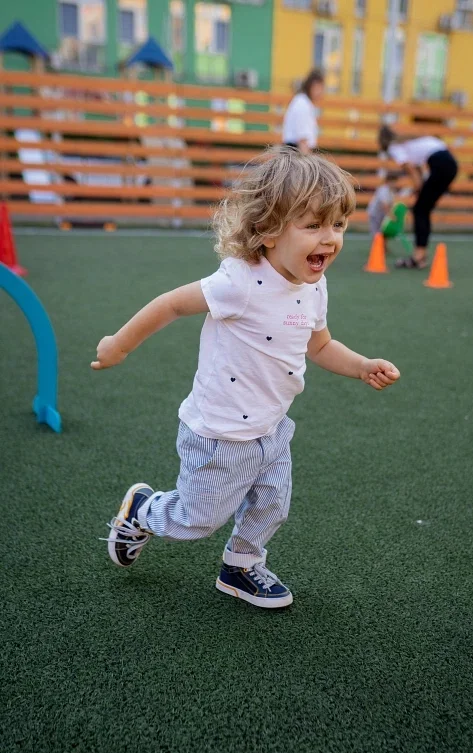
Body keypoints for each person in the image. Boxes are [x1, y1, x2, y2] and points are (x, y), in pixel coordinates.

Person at [91, 147, 400, 610]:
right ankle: (143, 510)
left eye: (337, 224)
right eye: (313, 225)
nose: (330, 238)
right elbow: (172, 304)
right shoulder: (238, 282)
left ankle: (240, 567)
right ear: (269, 230)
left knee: (272, 505)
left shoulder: (313, 286)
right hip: (220, 433)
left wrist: (360, 365)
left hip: (271, 428)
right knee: (197, 519)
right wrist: (119, 344)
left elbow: (319, 345)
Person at [378, 125, 458, 269]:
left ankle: (419, 256)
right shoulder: (410, 143)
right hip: (448, 164)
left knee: (420, 210)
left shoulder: (394, 147)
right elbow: (419, 168)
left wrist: (417, 187)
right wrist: (419, 187)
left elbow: (410, 168)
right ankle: (420, 254)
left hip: (442, 165)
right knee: (422, 209)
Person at [282, 70, 325, 154]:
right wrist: (307, 164)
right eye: (318, 88)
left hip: (293, 152)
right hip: (296, 154)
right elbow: (303, 140)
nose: (321, 92)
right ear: (311, 87)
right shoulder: (303, 105)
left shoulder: (303, 102)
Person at [367, 171, 396, 240]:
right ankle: (377, 248)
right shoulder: (384, 190)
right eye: (392, 181)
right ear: (388, 181)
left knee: (384, 231)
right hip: (375, 214)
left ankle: (384, 247)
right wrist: (390, 216)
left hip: (382, 214)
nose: (394, 184)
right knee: (376, 233)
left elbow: (390, 205)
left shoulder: (391, 191)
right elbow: (384, 205)